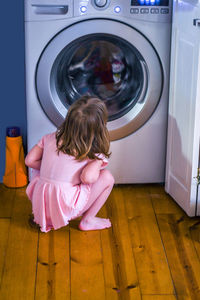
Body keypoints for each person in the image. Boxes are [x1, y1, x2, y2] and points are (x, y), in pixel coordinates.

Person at [25, 96, 114, 233]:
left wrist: (53, 170)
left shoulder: (49, 137)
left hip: (41, 203)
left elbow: (29, 161)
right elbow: (88, 178)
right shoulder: (91, 151)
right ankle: (87, 220)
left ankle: (49, 217)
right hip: (65, 207)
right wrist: (98, 160)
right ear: (99, 128)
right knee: (107, 177)